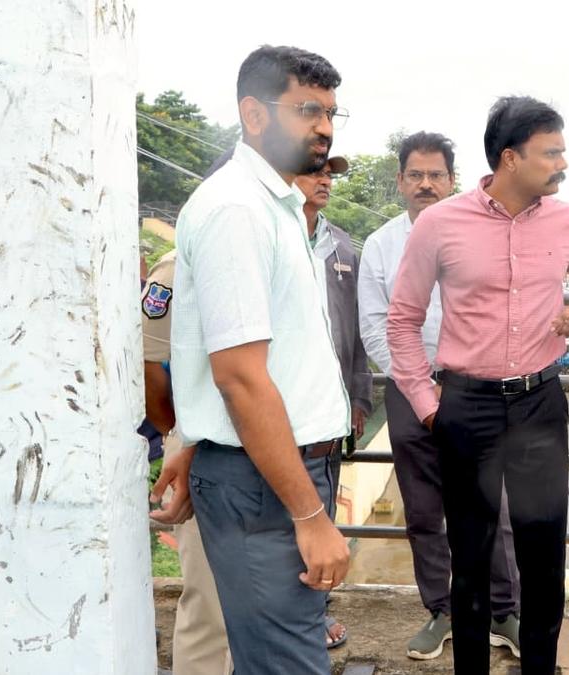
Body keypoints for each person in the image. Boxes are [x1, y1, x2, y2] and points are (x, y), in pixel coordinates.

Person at [387, 98, 569, 674]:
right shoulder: (441, 223)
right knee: (470, 562)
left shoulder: (567, 220)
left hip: (541, 404)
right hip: (465, 408)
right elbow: (402, 318)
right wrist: (426, 403)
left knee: (543, 562)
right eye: (552, 152)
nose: (562, 164)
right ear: (512, 158)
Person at [164, 45, 353, 675]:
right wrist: (310, 515)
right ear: (253, 114)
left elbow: (246, 359)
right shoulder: (237, 210)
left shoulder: (274, 208)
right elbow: (240, 377)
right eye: (307, 110)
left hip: (264, 472)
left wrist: (201, 439)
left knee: (272, 658)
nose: (324, 127)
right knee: (287, 663)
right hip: (270, 488)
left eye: (330, 112)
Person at [358, 132, 521, 661]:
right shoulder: (381, 245)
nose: (425, 185)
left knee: (489, 503)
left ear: (452, 179)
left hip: (475, 387)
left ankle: (503, 611)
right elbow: (375, 325)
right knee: (424, 508)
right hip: (410, 388)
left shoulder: (484, 235)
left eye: (436, 175)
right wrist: (417, 384)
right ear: (401, 181)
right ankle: (442, 610)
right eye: (415, 175)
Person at [295, 156, 372, 649]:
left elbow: (359, 332)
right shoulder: (269, 235)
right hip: (275, 410)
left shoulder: (342, 245)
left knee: (321, 513)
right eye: (314, 170)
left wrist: (360, 396)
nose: (324, 180)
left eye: (330, 173)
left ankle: (315, 614)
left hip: (330, 414)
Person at [143, 251, 233, 675]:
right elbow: (150, 364)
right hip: (199, 439)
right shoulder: (178, 267)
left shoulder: (281, 245)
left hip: (270, 439)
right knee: (208, 601)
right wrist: (175, 433)